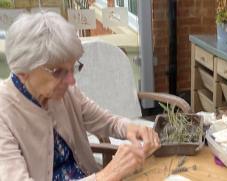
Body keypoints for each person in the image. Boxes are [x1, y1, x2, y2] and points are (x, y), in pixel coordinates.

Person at [0, 12, 160, 180]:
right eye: (59, 71)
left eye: (73, 67)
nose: (71, 81)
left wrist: (131, 128)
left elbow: (107, 122)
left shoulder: (64, 92)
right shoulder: (5, 114)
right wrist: (107, 175)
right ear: (23, 72)